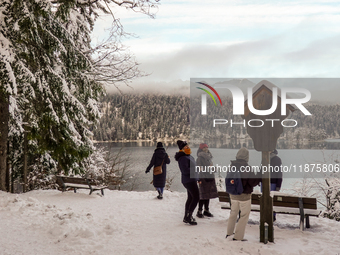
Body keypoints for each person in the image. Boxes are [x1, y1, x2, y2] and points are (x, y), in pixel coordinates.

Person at [226, 147, 261, 241]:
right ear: (247, 157)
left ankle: (229, 233)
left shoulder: (231, 166)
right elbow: (252, 182)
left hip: (233, 195)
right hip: (244, 196)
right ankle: (238, 237)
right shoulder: (247, 168)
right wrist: (259, 175)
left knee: (233, 214)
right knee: (244, 216)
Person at [175, 140, 199, 225]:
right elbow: (185, 170)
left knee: (190, 198)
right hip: (188, 180)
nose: (187, 147)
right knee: (196, 197)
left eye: (188, 145)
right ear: (182, 148)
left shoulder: (188, 156)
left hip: (192, 179)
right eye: (185, 146)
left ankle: (186, 217)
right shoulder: (182, 158)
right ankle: (189, 216)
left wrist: (198, 177)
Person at [196, 143, 218, 218]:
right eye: (204, 147)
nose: (206, 148)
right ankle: (199, 211)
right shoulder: (199, 158)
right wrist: (208, 168)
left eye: (206, 147)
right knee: (203, 195)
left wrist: (213, 169)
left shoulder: (209, 157)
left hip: (210, 177)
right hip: (203, 178)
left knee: (208, 194)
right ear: (201, 149)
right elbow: (198, 168)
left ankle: (206, 210)